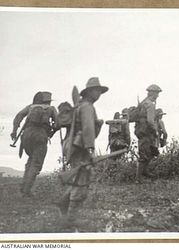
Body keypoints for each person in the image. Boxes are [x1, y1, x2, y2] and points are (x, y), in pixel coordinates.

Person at [56, 77, 107, 228]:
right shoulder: (87, 107)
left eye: (100, 91)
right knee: (81, 181)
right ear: (89, 92)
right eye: (97, 91)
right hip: (81, 147)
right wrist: (91, 149)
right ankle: (71, 219)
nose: (99, 94)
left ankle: (62, 204)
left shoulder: (81, 105)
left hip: (75, 146)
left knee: (78, 178)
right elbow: (87, 129)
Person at [10, 91, 58, 198]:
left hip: (26, 135)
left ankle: (23, 187)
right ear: (48, 101)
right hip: (40, 136)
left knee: (31, 160)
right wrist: (51, 133)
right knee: (36, 163)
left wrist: (14, 131)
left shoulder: (31, 107)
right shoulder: (51, 109)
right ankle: (26, 191)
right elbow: (58, 123)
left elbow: (18, 116)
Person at [134, 84, 162, 183]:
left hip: (140, 130)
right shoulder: (150, 104)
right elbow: (150, 121)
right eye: (157, 93)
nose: (158, 96)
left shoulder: (143, 103)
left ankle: (144, 172)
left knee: (148, 152)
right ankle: (138, 179)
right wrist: (155, 131)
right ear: (153, 93)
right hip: (146, 131)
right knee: (144, 154)